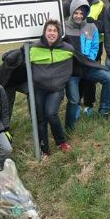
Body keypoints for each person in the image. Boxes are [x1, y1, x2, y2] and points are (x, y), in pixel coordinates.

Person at [64, 0, 110, 130]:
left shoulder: (92, 27)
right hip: (72, 70)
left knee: (109, 78)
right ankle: (69, 128)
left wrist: (88, 60)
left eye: (82, 13)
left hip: (87, 67)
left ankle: (104, 110)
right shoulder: (63, 28)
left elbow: (94, 48)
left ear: (85, 13)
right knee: (74, 100)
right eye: (76, 13)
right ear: (71, 12)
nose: (79, 16)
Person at [29, 19, 74, 158]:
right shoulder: (34, 48)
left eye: (55, 31)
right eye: (49, 30)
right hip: (39, 89)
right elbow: (20, 62)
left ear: (59, 33)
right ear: (45, 32)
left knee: (51, 114)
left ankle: (61, 142)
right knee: (40, 118)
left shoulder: (67, 49)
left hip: (56, 89)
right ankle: (44, 149)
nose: (52, 33)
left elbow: (80, 62)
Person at [64, 0, 106, 115]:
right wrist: (51, 0)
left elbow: (105, 26)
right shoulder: (73, 2)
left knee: (89, 78)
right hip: (76, 46)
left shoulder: (100, 5)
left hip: (94, 45)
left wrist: (93, 23)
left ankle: (89, 104)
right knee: (77, 76)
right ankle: (77, 102)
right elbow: (60, 10)